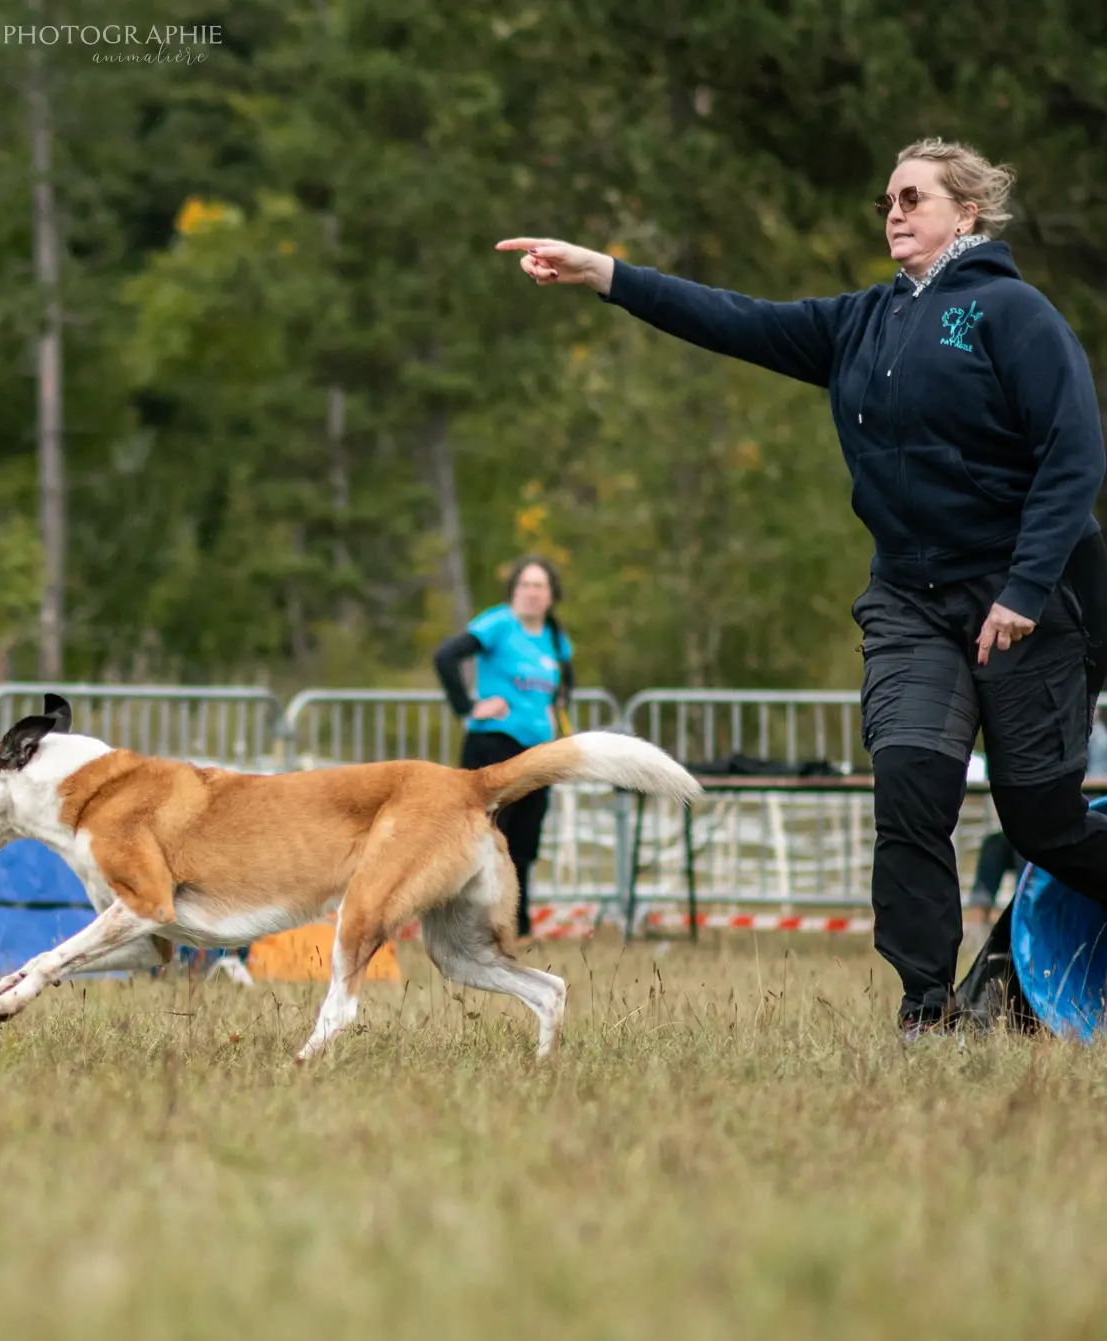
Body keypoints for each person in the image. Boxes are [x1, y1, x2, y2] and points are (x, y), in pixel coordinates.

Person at [498, 136, 1107, 1040]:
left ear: (967, 213)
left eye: (913, 197)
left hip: (1025, 603)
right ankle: (926, 1010)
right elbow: (730, 317)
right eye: (887, 201)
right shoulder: (859, 323)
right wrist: (606, 274)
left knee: (1043, 820)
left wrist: (1020, 591)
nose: (894, 212)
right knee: (909, 794)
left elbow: (1075, 455)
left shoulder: (1012, 313)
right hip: (909, 603)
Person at [433, 555, 575, 938]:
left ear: (550, 595)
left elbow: (564, 685)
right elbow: (445, 657)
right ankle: (470, 924)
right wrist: (468, 707)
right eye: (524, 585)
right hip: (493, 744)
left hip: (537, 752)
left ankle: (517, 923)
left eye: (539, 586)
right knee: (486, 835)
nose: (531, 593)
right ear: (514, 591)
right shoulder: (497, 624)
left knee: (525, 841)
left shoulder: (556, 639)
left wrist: (559, 712)